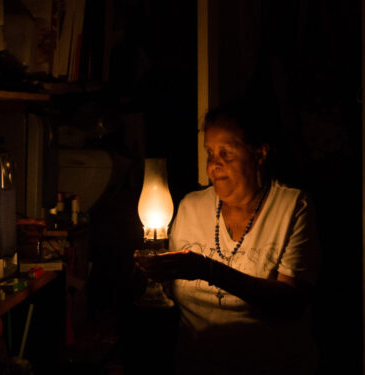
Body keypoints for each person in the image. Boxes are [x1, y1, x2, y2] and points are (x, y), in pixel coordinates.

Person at [134, 101, 320, 374]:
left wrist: (206, 269)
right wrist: (151, 272)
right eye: (210, 153)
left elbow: (290, 304)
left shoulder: (292, 207)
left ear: (259, 153)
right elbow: (168, 289)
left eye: (226, 153)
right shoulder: (190, 207)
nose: (214, 164)